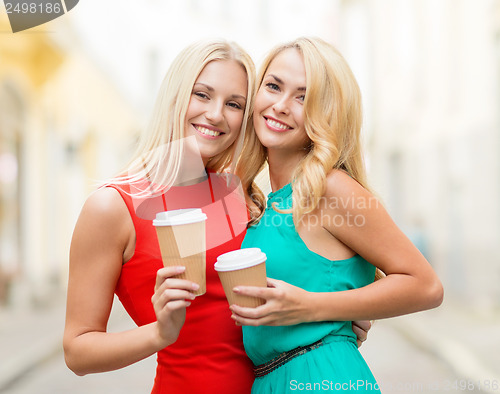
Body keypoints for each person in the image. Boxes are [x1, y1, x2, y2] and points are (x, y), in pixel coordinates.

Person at [63, 38, 372, 394]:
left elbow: (296, 286)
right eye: (202, 95)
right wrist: (160, 333)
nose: (215, 114)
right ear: (176, 96)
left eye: (234, 104)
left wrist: (330, 322)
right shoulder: (113, 207)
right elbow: (78, 350)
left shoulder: (243, 195)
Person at [231, 37, 444, 393]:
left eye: (303, 97)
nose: (281, 105)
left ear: (326, 112)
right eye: (273, 86)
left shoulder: (329, 188)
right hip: (276, 378)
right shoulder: (269, 202)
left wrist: (313, 307)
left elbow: (425, 285)